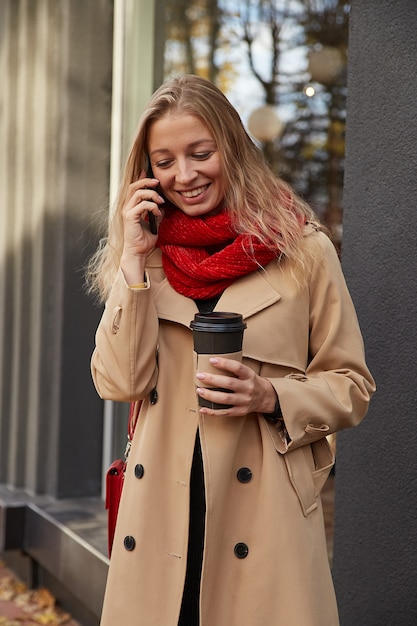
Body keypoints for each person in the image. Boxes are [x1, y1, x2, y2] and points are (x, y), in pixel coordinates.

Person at [87, 74, 375, 626]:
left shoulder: (303, 250)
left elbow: (352, 385)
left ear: (233, 148)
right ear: (147, 170)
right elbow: (118, 383)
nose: (185, 175)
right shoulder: (144, 255)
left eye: (201, 153)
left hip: (263, 521)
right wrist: (131, 268)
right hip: (159, 524)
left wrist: (271, 395)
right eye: (165, 160)